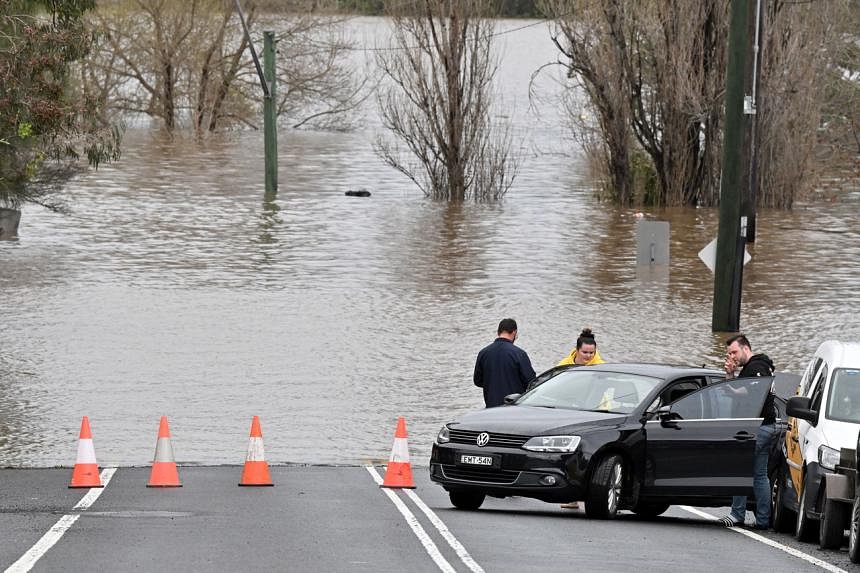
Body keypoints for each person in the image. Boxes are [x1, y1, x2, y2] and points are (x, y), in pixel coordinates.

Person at [719, 334, 776, 530]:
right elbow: (734, 392)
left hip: (758, 428)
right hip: (763, 426)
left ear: (745, 348)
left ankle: (737, 514)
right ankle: (762, 520)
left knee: (740, 468)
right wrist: (730, 376)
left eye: (734, 352)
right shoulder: (751, 369)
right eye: (728, 353)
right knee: (759, 474)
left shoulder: (757, 367)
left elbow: (753, 390)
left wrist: (735, 385)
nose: (732, 356)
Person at [558, 328, 605, 510]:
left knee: (589, 456)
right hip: (568, 413)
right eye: (585, 352)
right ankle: (571, 497)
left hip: (595, 413)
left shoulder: (601, 366)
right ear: (577, 350)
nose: (588, 356)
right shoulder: (564, 365)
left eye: (591, 353)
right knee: (569, 456)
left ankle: (591, 496)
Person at [474, 318, 536, 408]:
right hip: (514, 408)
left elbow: (477, 381)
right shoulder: (519, 354)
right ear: (514, 332)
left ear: (498, 332)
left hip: (491, 408)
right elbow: (531, 382)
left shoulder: (483, 353)